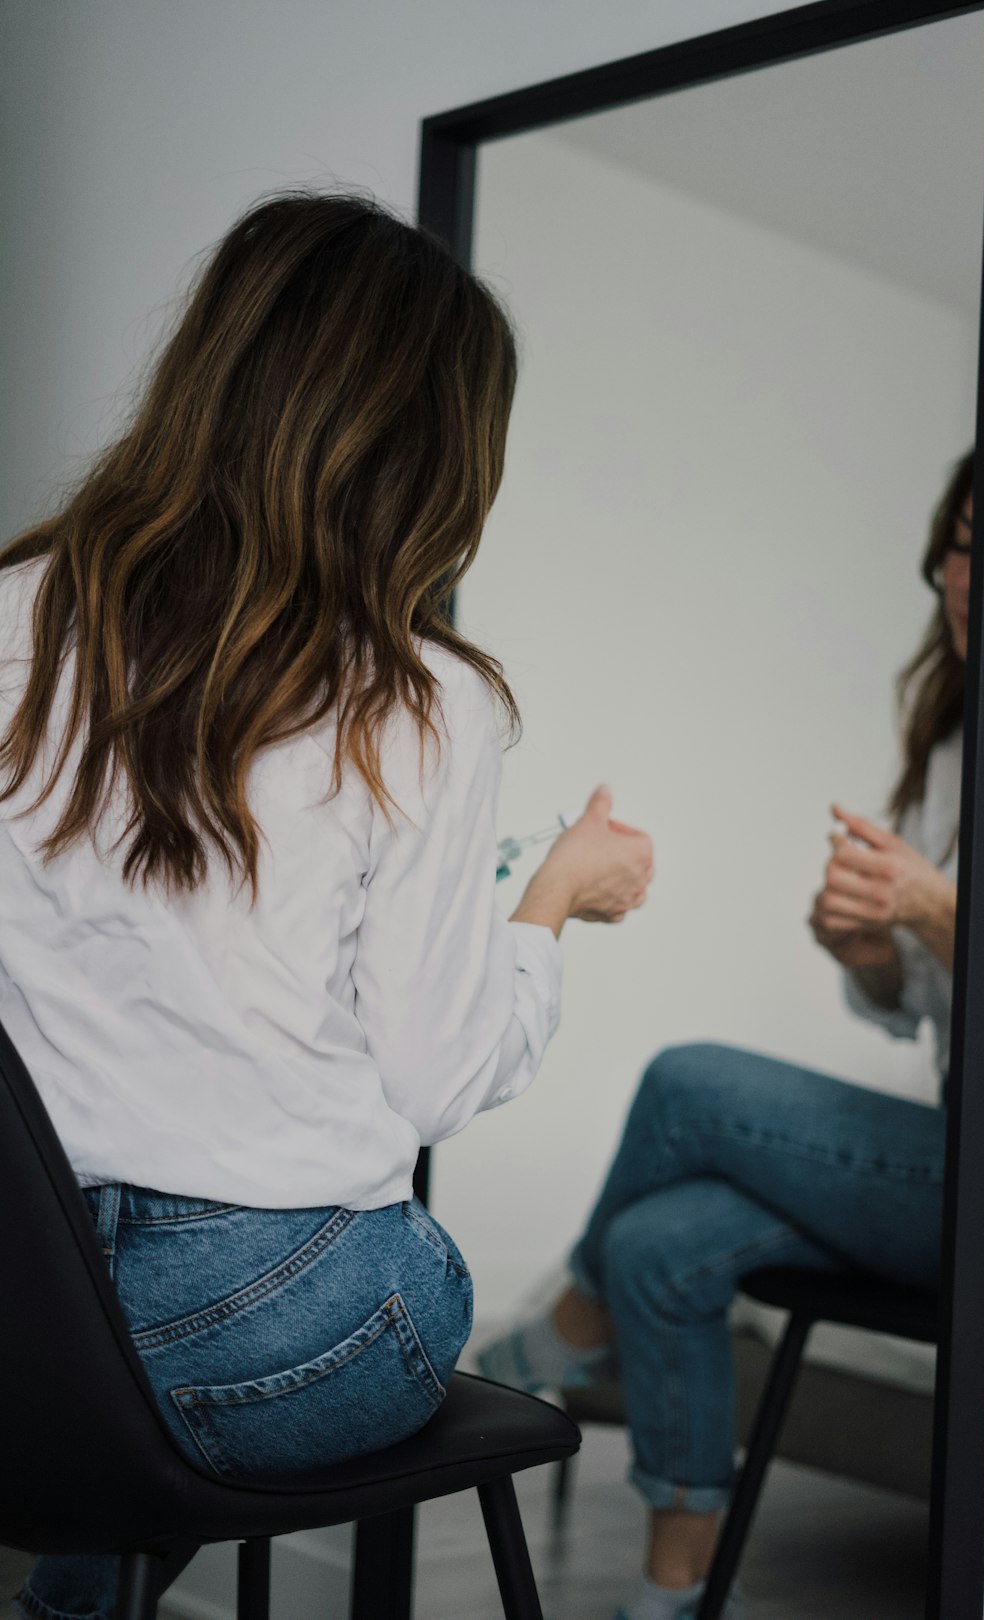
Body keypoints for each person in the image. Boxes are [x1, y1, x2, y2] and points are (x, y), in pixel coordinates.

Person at [0, 192, 654, 1620]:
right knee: (414, 1264)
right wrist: (545, 906)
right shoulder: (423, 704)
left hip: (23, 1313)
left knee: (103, 1396)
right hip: (257, 1327)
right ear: (431, 451)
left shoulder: (14, 612)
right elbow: (438, 1078)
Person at [478, 449, 975, 1620]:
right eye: (956, 544)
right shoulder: (955, 744)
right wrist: (872, 953)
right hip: (951, 1150)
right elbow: (914, 1005)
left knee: (689, 1083)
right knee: (659, 1241)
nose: (965, 576)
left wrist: (937, 910)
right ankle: (679, 1596)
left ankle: (566, 1327)